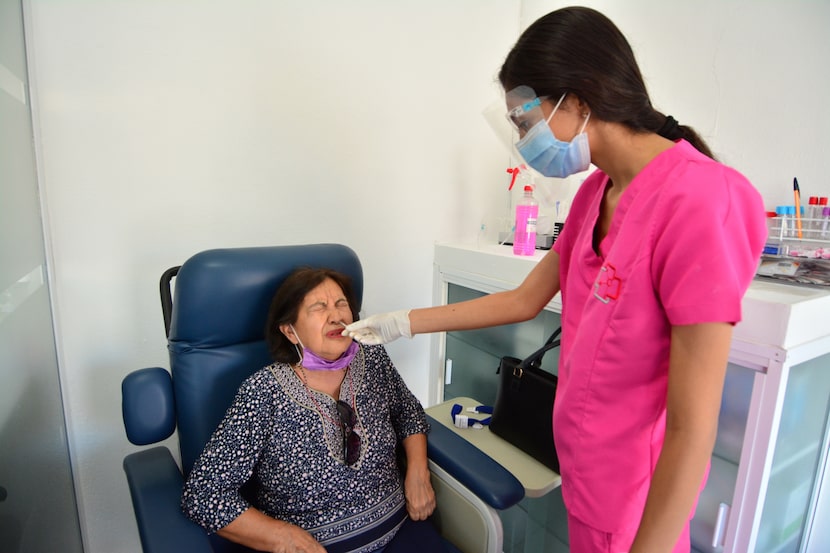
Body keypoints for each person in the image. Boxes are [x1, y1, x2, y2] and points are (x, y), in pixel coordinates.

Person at [343, 7, 766, 553]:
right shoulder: (597, 194)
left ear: (581, 100)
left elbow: (693, 428)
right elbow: (524, 300)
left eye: (525, 120)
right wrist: (400, 323)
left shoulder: (703, 201)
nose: (522, 139)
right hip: (585, 480)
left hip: (640, 504)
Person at [182, 267, 446, 553]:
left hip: (402, 531)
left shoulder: (372, 357)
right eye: (319, 308)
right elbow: (203, 494)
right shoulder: (262, 392)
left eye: (341, 304)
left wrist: (418, 471)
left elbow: (408, 413)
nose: (336, 316)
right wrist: (282, 537)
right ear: (289, 331)